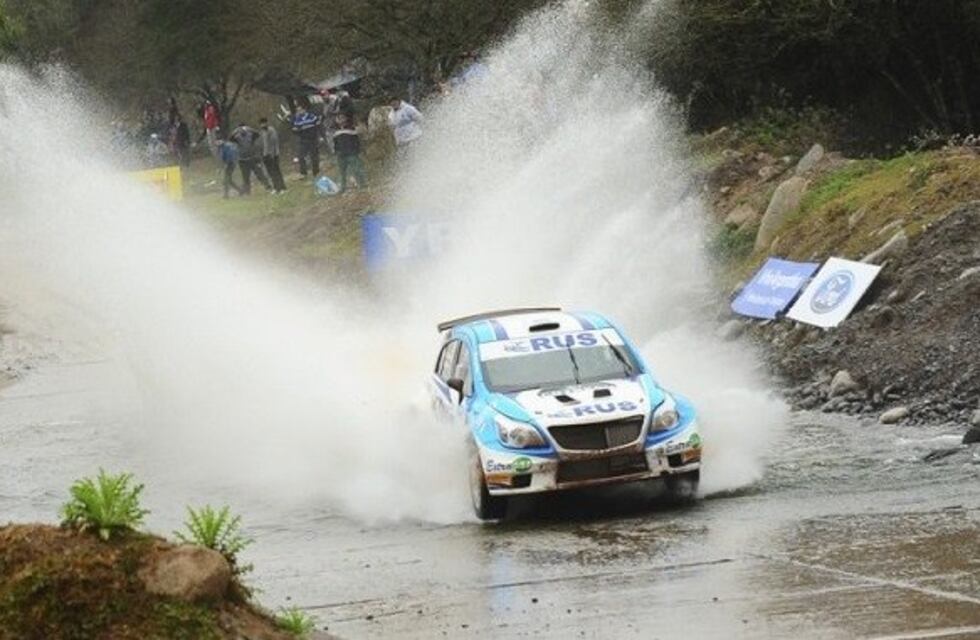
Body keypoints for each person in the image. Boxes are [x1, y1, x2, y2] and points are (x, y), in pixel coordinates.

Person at [231, 123, 271, 195]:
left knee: (259, 173)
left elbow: (257, 134)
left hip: (252, 157)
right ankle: (248, 191)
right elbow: (230, 139)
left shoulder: (251, 135)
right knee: (245, 177)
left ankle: (268, 186)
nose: (242, 131)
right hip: (242, 160)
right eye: (240, 129)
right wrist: (236, 131)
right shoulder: (237, 137)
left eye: (243, 129)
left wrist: (249, 128)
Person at [332, 114, 366, 193]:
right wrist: (336, 152)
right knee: (342, 172)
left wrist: (357, 150)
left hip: (352, 153)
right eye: (338, 118)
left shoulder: (352, 128)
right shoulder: (335, 131)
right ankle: (342, 188)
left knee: (357, 169)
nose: (340, 120)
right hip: (341, 155)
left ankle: (362, 184)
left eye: (342, 118)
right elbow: (335, 143)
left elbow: (356, 141)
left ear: (346, 119)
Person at [291, 103, 321, 177]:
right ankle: (303, 173)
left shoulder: (311, 116)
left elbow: (318, 124)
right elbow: (295, 129)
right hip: (303, 140)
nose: (299, 112)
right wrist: (296, 130)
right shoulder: (298, 119)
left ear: (304, 110)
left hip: (312, 139)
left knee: (314, 156)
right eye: (298, 110)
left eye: (300, 110)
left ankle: (316, 172)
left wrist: (317, 134)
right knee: (301, 156)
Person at [258, 117, 287, 194]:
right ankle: (276, 187)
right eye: (261, 124)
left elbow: (274, 143)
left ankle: (281, 188)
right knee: (270, 172)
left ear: (267, 122)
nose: (262, 125)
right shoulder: (262, 132)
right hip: (266, 155)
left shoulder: (271, 130)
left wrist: (273, 154)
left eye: (264, 123)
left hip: (273, 155)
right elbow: (263, 144)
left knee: (276, 172)